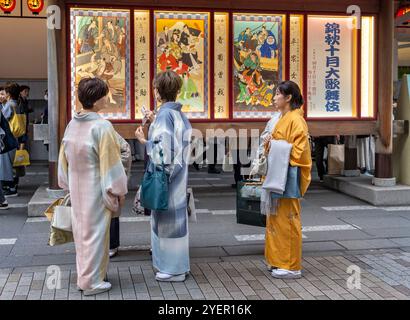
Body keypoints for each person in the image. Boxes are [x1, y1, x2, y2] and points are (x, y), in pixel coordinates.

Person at [58, 77, 128, 296]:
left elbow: (64, 159)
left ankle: (84, 276)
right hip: (97, 188)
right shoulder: (102, 126)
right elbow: (111, 163)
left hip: (77, 187)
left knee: (82, 234)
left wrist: (66, 183)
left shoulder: (73, 123)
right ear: (97, 100)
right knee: (96, 235)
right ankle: (92, 282)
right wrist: (118, 190)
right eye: (105, 94)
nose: (107, 97)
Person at [135, 70, 192, 282]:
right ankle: (178, 266)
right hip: (178, 176)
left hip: (165, 177)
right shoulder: (178, 114)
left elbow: (163, 149)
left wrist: (144, 142)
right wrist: (155, 118)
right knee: (177, 223)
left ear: (158, 92)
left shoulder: (165, 116)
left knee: (166, 223)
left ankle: (173, 269)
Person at [263, 81, 312, 279]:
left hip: (288, 176)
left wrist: (273, 145)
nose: (274, 98)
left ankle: (292, 265)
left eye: (277, 94)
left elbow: (300, 152)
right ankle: (277, 260)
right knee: (276, 219)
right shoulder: (284, 118)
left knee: (288, 220)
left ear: (288, 97)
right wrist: (271, 144)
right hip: (279, 174)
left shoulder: (296, 120)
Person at [1, 82, 22, 197]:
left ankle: (11, 188)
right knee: (12, 163)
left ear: (8, 93)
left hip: (9, 137)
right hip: (15, 136)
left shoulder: (9, 105)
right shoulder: (16, 104)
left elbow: (2, 119)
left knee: (7, 164)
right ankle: (13, 185)